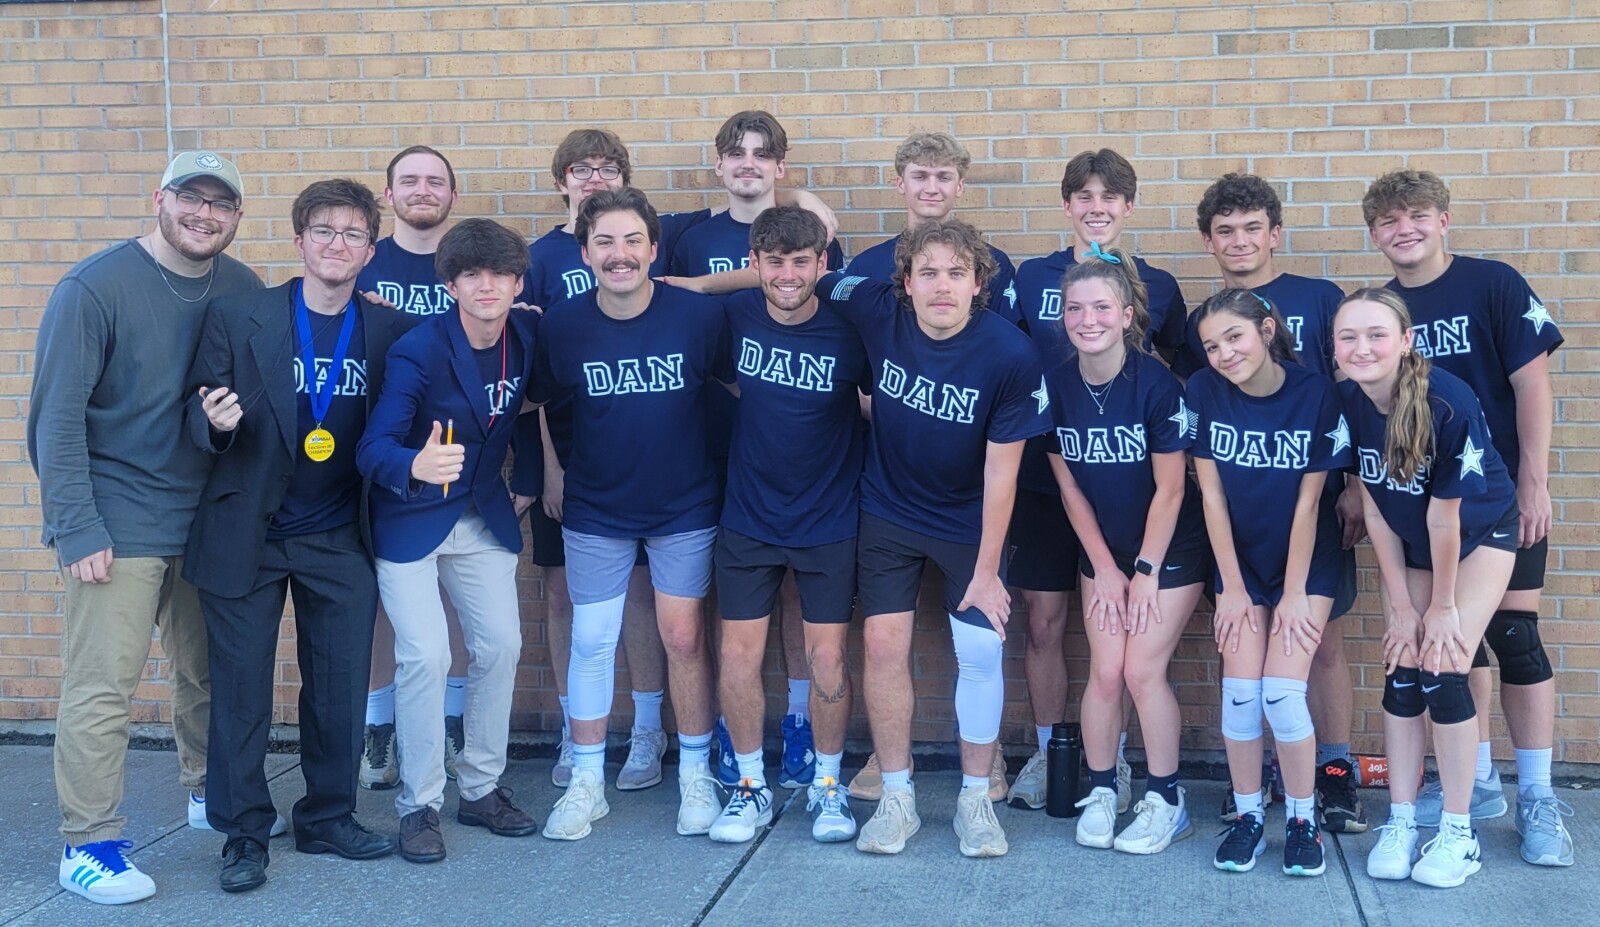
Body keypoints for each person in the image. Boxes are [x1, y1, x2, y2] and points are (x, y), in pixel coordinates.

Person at [29, 151, 261, 905]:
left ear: (236, 216)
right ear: (160, 198)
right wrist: (75, 526)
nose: (205, 215)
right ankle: (87, 844)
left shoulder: (240, 286)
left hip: (207, 519)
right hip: (119, 521)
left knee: (206, 673)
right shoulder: (95, 288)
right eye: (192, 197)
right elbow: (56, 417)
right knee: (104, 687)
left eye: (221, 204)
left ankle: (207, 791)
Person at [183, 179, 408, 892]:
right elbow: (195, 407)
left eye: (352, 234)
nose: (337, 244)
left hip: (338, 533)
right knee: (241, 691)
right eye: (323, 231)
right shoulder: (238, 315)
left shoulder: (389, 330)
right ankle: (244, 833)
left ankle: (328, 816)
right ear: (298, 241)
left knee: (338, 687)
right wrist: (214, 424)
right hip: (246, 527)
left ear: (370, 250)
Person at [821, 219, 1049, 858]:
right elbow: (801, 276)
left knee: (979, 650)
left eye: (956, 273)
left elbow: (1003, 474)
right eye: (928, 272)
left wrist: (988, 569)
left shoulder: (1010, 353)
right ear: (905, 282)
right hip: (889, 508)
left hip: (969, 519)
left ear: (978, 284)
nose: (941, 286)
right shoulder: (875, 307)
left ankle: (976, 800)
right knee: (882, 644)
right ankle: (897, 797)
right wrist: (691, 284)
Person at [1365, 170, 1570, 867]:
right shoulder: (1383, 312)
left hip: (1497, 496)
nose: (1405, 229)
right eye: (1389, 221)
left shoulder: (1493, 283)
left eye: (1417, 215)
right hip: (1422, 504)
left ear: (1444, 220)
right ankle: (1477, 783)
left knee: (1514, 635)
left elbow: (1532, 382)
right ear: (1375, 235)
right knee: (1453, 646)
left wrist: (1535, 478)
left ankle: (1537, 794)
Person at [533, 188, 728, 841]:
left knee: (684, 636)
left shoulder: (698, 317)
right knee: (592, 639)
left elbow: (736, 391)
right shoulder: (562, 324)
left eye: (632, 241)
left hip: (684, 504)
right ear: (585, 253)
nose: (620, 254)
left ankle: (695, 772)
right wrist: (551, 471)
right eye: (605, 242)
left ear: (653, 249)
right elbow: (538, 402)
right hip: (597, 507)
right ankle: (587, 779)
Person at [1008, 148, 1188, 812]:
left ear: (1128, 207)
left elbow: (1179, 375)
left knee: (1126, 650)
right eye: (1083, 195)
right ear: (1066, 205)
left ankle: (1124, 769)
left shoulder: (1159, 284)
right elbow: (1007, 359)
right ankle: (1050, 754)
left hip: (1129, 485)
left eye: (1109, 196)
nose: (1096, 207)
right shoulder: (1032, 276)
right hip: (1049, 475)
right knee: (1044, 625)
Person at [356, 219, 541, 864]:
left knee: (502, 645)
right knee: (427, 655)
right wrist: (415, 464)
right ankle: (420, 803)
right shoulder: (419, 349)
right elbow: (373, 446)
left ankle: (481, 788)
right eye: (471, 275)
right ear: (451, 285)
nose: (486, 286)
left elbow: (533, 410)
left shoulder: (527, 334)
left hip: (482, 513)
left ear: (518, 284)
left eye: (499, 275)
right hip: (412, 516)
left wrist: (533, 477)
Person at [669, 111, 844, 791]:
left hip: (804, 453)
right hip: (716, 443)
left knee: (803, 597)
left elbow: (810, 261)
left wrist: (705, 284)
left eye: (762, 153)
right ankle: (730, 731)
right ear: (717, 163)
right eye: (736, 153)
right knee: (725, 600)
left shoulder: (808, 236)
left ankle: (800, 720)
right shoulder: (690, 234)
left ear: (780, 164)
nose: (748, 163)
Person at [839, 132, 1015, 803]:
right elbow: (795, 288)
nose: (932, 187)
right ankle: (890, 767)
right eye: (921, 175)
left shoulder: (995, 273)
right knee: (883, 643)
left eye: (945, 176)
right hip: (891, 491)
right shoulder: (869, 271)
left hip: (970, 497)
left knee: (980, 645)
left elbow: (996, 378)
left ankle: (987, 762)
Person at [1192, 173, 1367, 834]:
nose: (1240, 240)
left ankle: (1333, 771)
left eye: (1251, 227)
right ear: (1210, 242)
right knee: (1244, 658)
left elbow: (1353, 395)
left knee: (1318, 645)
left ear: (1275, 232)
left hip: (1315, 501)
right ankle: (1257, 782)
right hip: (1246, 514)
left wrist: (1357, 483)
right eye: (1226, 230)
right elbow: (1208, 461)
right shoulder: (1206, 334)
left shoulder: (1319, 299)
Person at [1334, 288, 1521, 887]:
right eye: (1348, 337)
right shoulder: (1349, 400)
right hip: (1414, 537)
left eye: (1376, 335)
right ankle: (1402, 820)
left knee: (1444, 664)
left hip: (1480, 532)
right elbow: (1376, 507)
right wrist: (1398, 607)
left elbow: (1447, 520)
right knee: (1403, 666)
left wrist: (1440, 608)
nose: (1362, 348)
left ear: (1406, 340)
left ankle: (1459, 832)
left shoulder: (1446, 400)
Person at [705, 207, 868, 844]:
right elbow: (727, 382)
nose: (789, 275)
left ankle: (827, 785)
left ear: (823, 263)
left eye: (802, 261)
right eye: (775, 262)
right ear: (755, 264)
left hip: (829, 519)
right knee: (737, 654)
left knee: (827, 657)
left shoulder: (851, 330)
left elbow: (876, 405)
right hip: (749, 515)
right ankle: (750, 785)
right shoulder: (735, 318)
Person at [1045, 246, 1210, 855]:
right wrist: (1104, 567)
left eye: (1101, 307)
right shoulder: (1056, 385)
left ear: (1125, 315)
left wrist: (1142, 571)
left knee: (1141, 670)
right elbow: (1069, 488)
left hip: (1168, 548)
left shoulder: (1157, 384)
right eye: (1075, 308)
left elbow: (1171, 490)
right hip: (1105, 551)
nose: (1087, 319)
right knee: (1107, 671)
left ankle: (1167, 799)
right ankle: (1101, 789)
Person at [1188, 290, 1351, 877]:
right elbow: (1211, 496)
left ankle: (1304, 821)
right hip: (1241, 559)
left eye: (1234, 337)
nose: (1224, 354)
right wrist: (1231, 587)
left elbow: (1310, 504)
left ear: (1266, 330)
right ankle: (1250, 816)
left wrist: (1293, 593)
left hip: (1306, 562)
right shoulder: (1202, 391)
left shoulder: (1315, 393)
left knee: (1282, 694)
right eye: (1212, 346)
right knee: (1241, 696)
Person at [353, 144, 475, 791]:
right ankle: (379, 728)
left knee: (451, 587)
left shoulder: (469, 262)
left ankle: (452, 721)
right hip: (375, 444)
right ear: (388, 194)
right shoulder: (363, 258)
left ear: (453, 195)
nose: (422, 190)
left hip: (455, 449)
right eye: (409, 180)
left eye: (435, 181)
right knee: (380, 595)